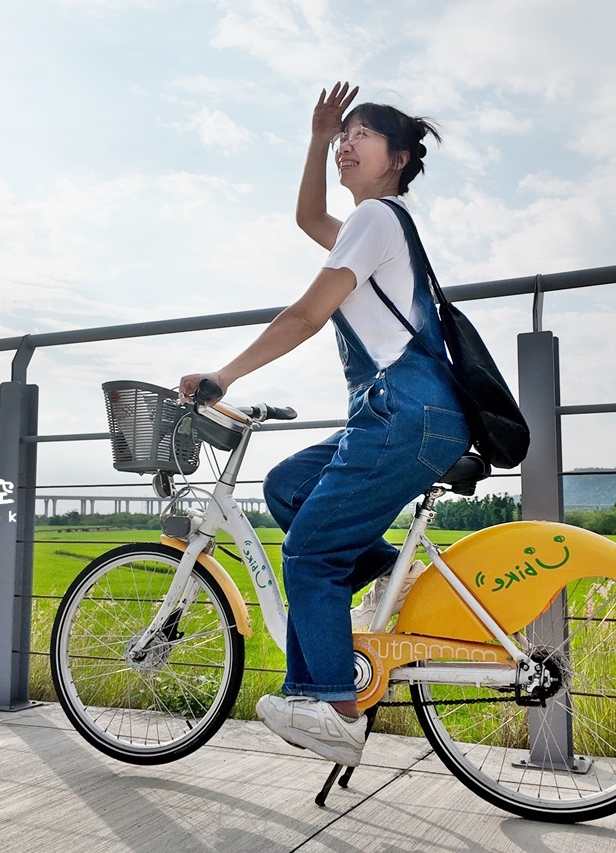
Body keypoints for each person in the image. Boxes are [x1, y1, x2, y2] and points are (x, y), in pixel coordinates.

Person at [179, 82, 469, 767]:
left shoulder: (378, 219)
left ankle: (332, 704)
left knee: (306, 550)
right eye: (346, 134)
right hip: (403, 413)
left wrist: (225, 375)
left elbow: (305, 315)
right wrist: (316, 137)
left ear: (396, 159)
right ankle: (373, 573)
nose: (348, 142)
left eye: (361, 135)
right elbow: (310, 215)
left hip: (404, 413)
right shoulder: (372, 228)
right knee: (286, 487)